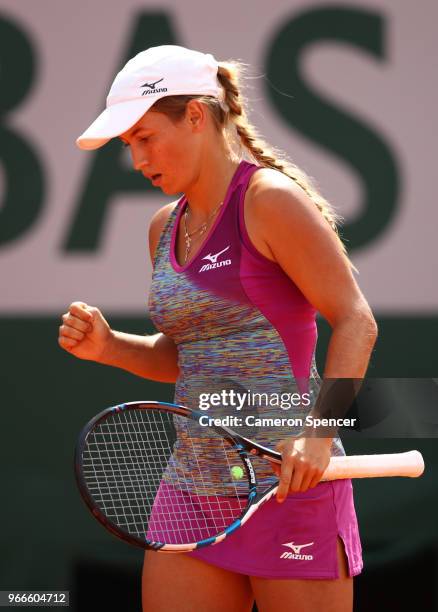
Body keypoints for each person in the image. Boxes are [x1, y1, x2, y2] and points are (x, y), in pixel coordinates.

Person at [59, 45, 377, 612]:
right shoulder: (164, 228)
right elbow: (187, 355)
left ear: (197, 116)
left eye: (145, 136)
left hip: (288, 490)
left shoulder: (270, 202)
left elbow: (356, 320)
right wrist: (110, 348)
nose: (137, 159)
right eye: (129, 145)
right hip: (191, 489)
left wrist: (318, 435)